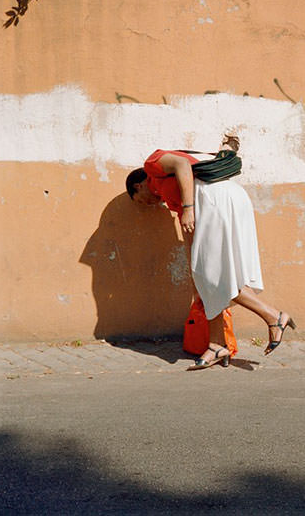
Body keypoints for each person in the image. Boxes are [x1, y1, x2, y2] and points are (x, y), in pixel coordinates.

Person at [125, 135, 295, 370]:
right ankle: (217, 345)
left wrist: (188, 208)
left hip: (214, 200)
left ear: (138, 186)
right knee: (209, 278)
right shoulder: (171, 192)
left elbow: (182, 165)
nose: (149, 205)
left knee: (216, 277)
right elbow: (190, 233)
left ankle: (273, 317)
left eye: (141, 201)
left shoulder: (152, 164)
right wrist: (195, 275)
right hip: (226, 200)